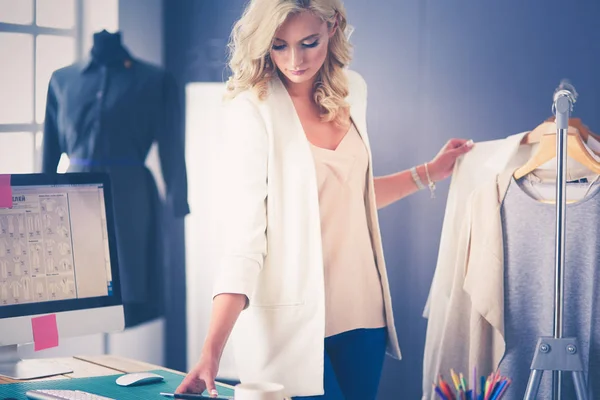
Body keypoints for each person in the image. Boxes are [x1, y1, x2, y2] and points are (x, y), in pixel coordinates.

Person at [177, 0, 473, 399]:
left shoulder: (353, 89)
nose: (295, 60)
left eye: (309, 42)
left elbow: (353, 197)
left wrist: (429, 172)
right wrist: (210, 352)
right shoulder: (252, 109)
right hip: (292, 328)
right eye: (279, 45)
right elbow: (245, 243)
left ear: (332, 29)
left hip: (364, 317)